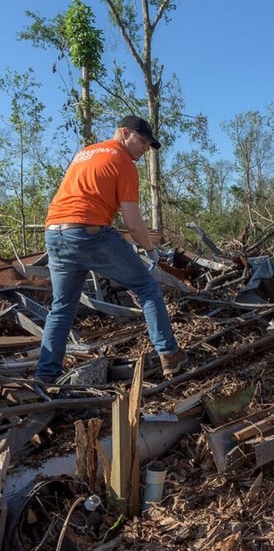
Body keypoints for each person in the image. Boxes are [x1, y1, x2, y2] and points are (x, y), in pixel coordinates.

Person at [35, 116, 186, 382]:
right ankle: (169, 354)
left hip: (54, 233)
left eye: (148, 145)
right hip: (88, 234)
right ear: (124, 133)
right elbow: (134, 223)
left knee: (62, 308)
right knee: (146, 286)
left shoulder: (86, 152)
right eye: (141, 141)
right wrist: (151, 251)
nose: (143, 148)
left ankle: (45, 377)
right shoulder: (122, 162)